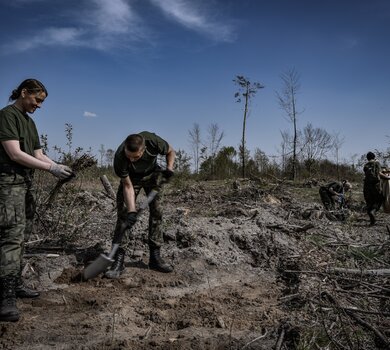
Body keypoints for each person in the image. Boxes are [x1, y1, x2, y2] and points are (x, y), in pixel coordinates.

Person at [0, 79, 74, 322]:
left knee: (22, 236)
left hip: (25, 185)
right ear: (24, 93)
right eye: (37, 100)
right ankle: (6, 297)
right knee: (11, 236)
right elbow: (14, 153)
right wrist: (50, 169)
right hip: (8, 184)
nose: (39, 105)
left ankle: (16, 283)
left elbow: (37, 154)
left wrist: (57, 165)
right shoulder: (7, 116)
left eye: (42, 101)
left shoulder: (29, 123)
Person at [105, 132, 176, 279]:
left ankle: (155, 258)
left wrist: (169, 168)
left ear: (143, 150)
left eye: (135, 157)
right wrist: (132, 210)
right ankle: (119, 260)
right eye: (128, 155)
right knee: (124, 216)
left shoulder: (154, 142)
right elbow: (127, 186)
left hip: (153, 175)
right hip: (132, 179)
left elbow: (170, 151)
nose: (131, 159)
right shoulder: (120, 157)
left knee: (157, 212)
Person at [363, 151, 390, 225]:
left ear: (367, 158)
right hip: (375, 185)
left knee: (369, 202)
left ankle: (372, 220)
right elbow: (379, 173)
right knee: (380, 199)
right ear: (374, 157)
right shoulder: (376, 163)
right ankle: (373, 211)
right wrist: (387, 178)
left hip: (366, 186)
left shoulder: (366, 165)